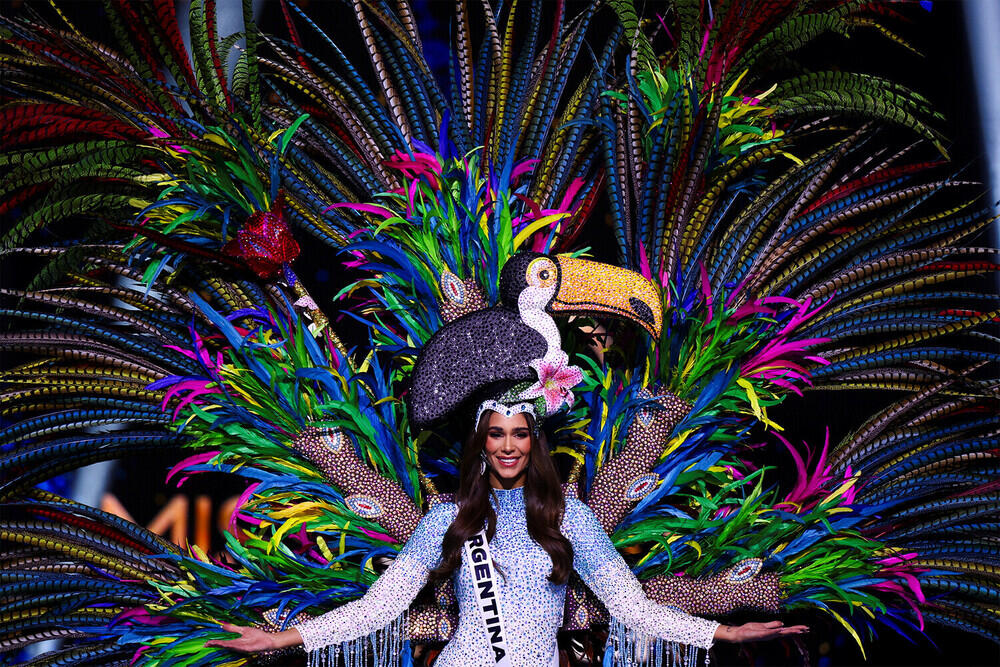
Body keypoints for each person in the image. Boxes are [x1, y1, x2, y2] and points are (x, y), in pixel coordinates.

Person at [206, 402, 808, 666]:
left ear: (534, 442)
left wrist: (723, 630)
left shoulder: (569, 515)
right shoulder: (448, 518)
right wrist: (285, 641)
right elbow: (381, 606)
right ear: (482, 443)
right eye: (496, 434)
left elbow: (632, 606)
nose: (509, 445)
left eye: (520, 434)